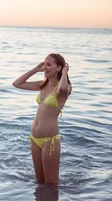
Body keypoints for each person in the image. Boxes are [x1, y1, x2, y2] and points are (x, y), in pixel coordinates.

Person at [12, 53, 72, 185]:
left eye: (48, 64)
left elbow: (62, 88)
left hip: (49, 141)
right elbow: (17, 83)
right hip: (34, 139)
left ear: (59, 68)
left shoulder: (65, 88)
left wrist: (65, 72)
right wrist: (35, 69)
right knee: (39, 182)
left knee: (51, 185)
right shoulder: (42, 85)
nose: (44, 67)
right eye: (44, 64)